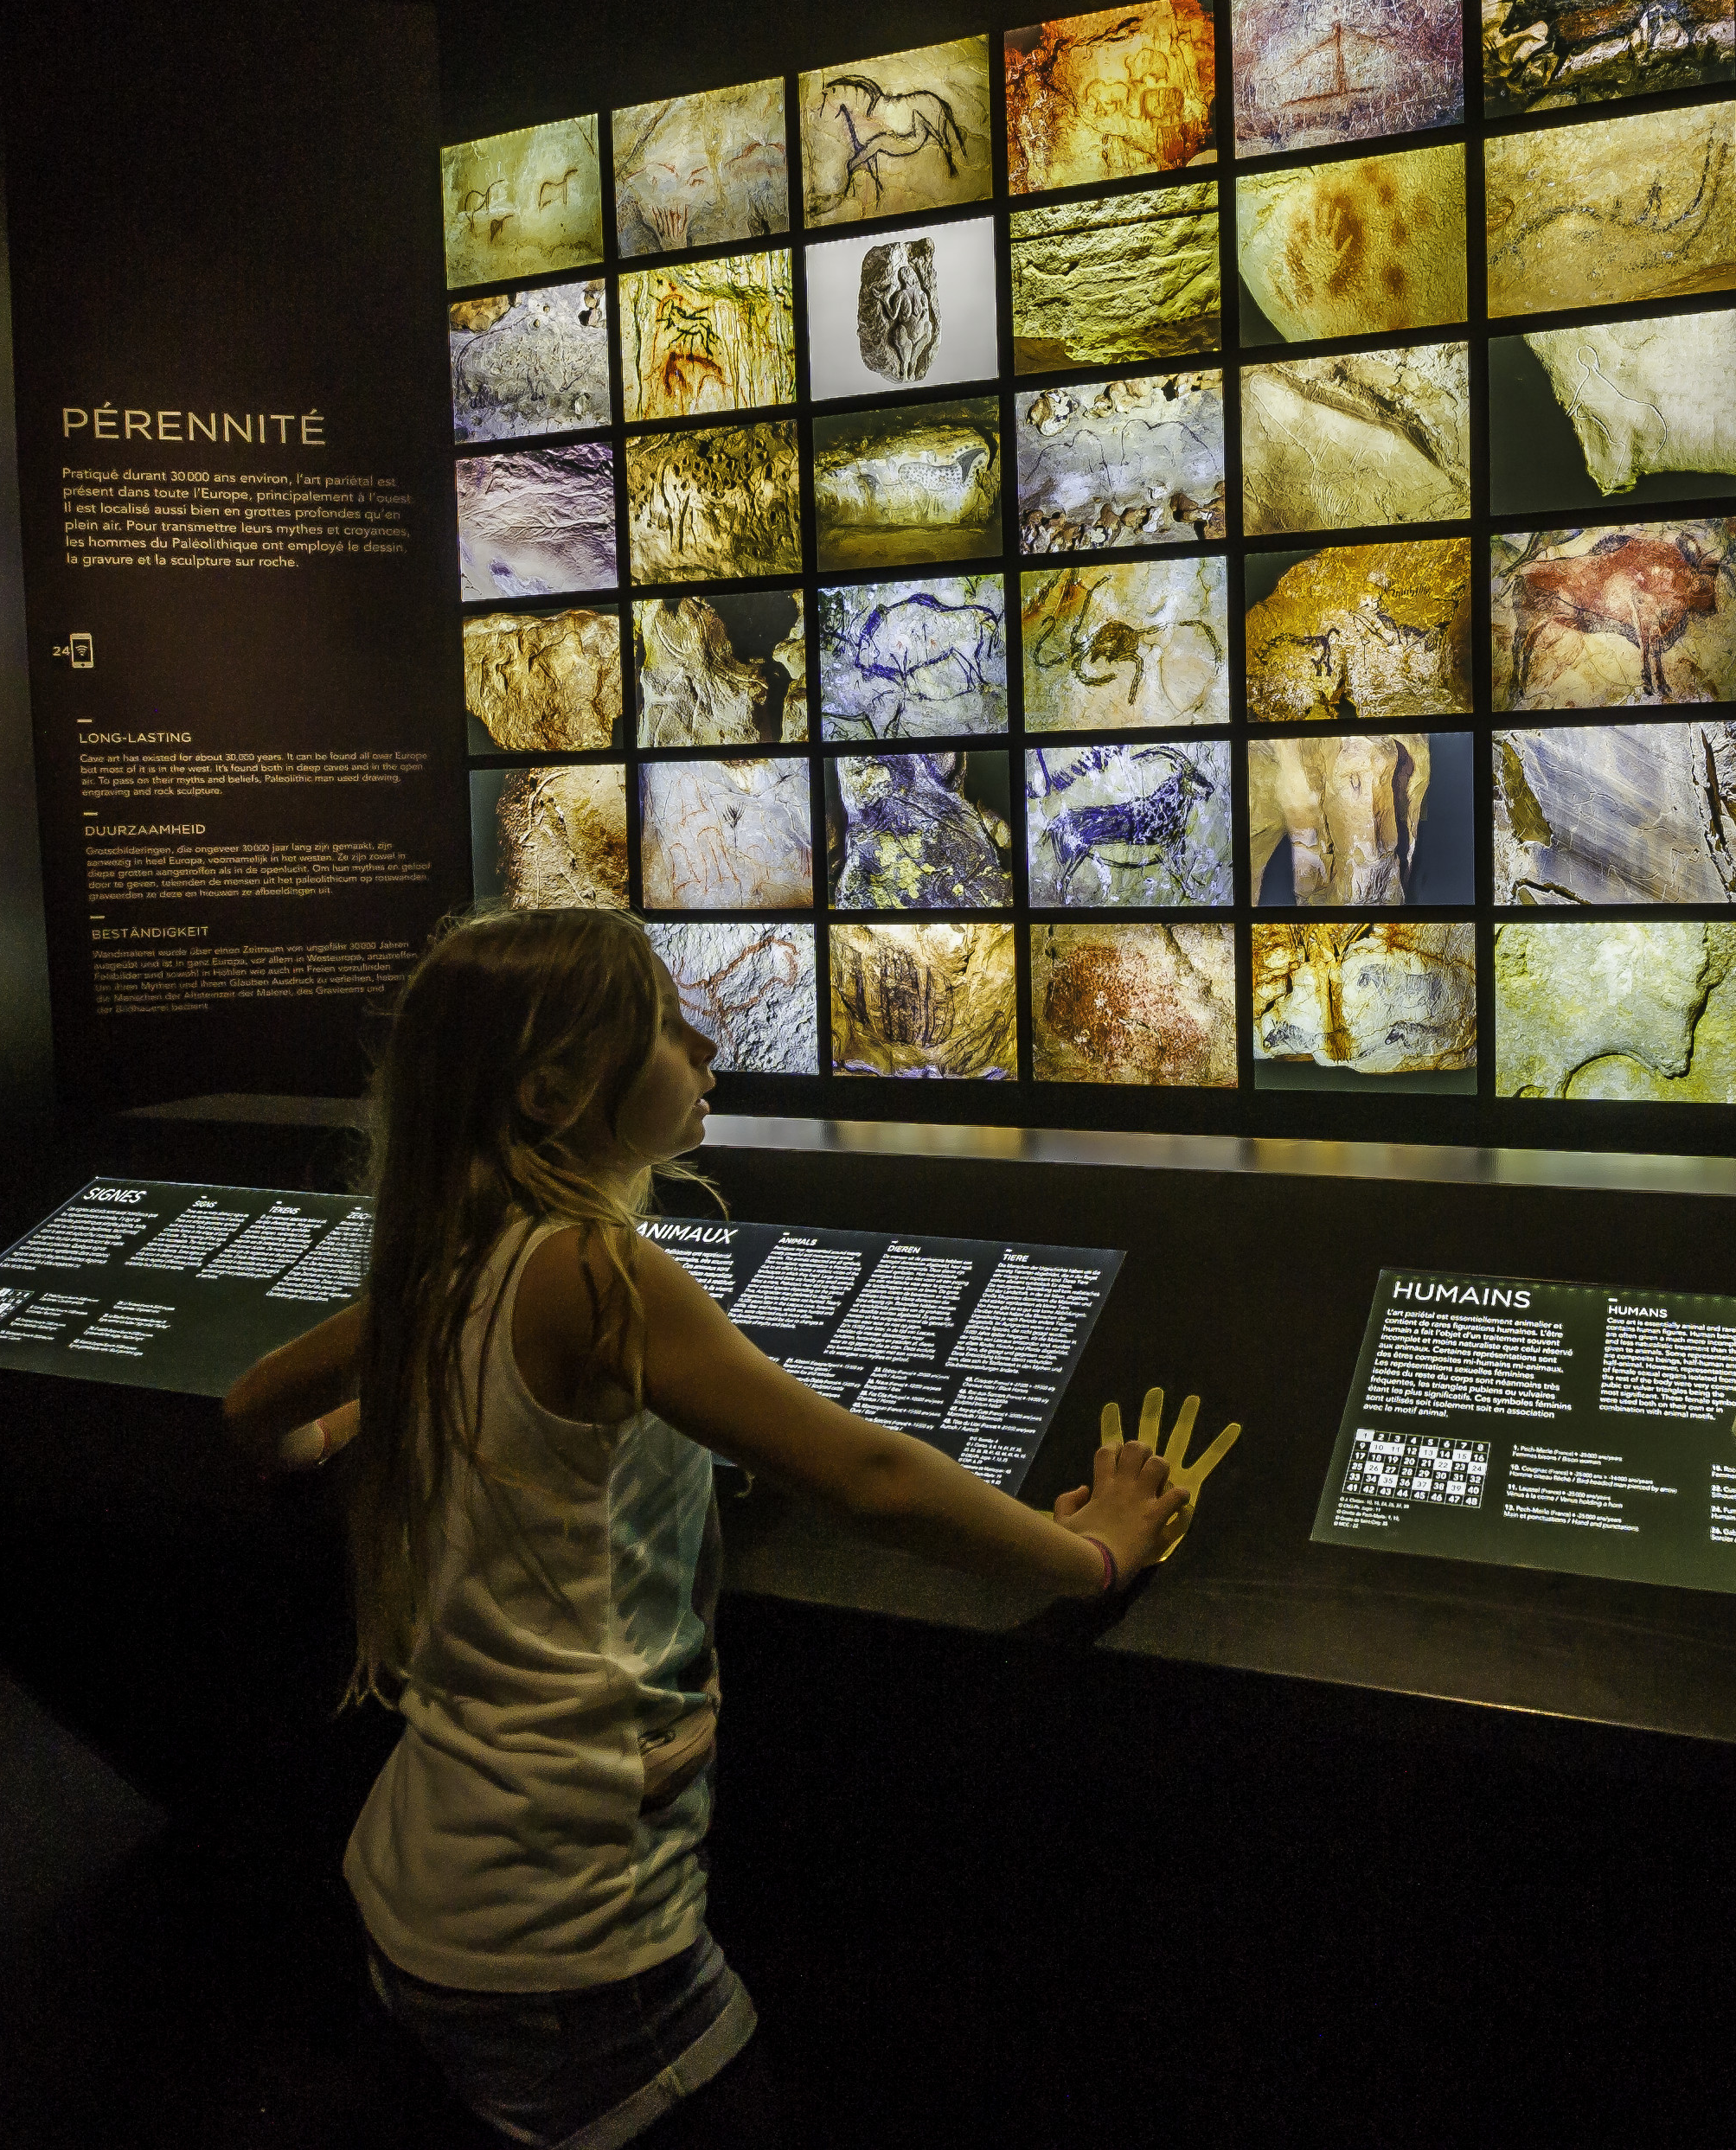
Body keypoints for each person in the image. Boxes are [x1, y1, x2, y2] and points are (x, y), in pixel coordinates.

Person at [222, 908, 1188, 2150]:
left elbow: (254, 1409)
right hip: (571, 1942)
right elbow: (870, 1476)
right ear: (555, 1090)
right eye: (665, 1025)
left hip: (417, 1884)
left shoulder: (444, 1260)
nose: (704, 1041)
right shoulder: (596, 1272)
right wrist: (1093, 1551)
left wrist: (351, 1438)